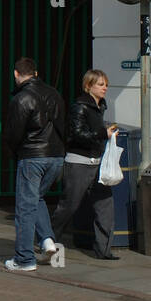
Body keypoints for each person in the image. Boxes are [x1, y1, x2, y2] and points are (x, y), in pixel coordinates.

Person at [48, 69, 120, 263]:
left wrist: (108, 133)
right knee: (69, 206)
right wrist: (101, 134)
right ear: (88, 86)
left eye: (106, 84)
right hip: (79, 163)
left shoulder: (100, 106)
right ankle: (47, 240)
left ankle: (103, 249)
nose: (105, 88)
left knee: (105, 206)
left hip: (98, 163)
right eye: (100, 84)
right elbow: (75, 135)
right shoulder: (79, 107)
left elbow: (95, 131)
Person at [2, 56, 66, 272]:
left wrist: (12, 153)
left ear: (16, 74)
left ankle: (24, 258)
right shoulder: (54, 94)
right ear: (36, 73)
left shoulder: (21, 99)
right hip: (56, 156)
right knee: (37, 198)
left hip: (33, 156)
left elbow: (13, 133)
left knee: (25, 208)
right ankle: (47, 241)